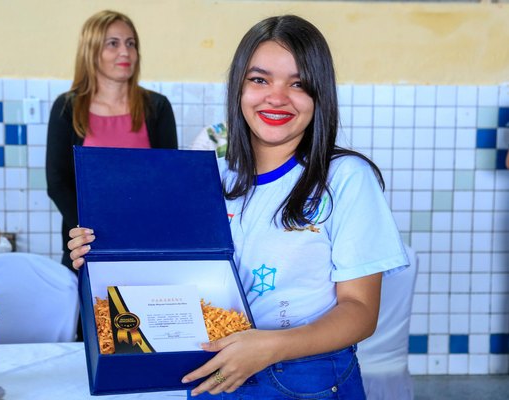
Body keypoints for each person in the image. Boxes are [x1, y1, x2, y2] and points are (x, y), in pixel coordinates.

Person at [69, 15, 408, 399]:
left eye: (298, 84)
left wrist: (268, 347)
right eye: (259, 80)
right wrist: (106, 256)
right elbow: (171, 276)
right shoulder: (212, 178)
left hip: (306, 378)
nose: (276, 97)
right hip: (213, 374)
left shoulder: (345, 177)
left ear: (320, 95)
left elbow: (360, 311)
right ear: (238, 89)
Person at [46, 10, 178, 269]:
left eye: (131, 44)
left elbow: (167, 178)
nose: (125, 52)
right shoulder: (67, 107)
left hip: (145, 243)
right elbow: (57, 182)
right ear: (91, 51)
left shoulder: (157, 107)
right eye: (113, 43)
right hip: (84, 248)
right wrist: (86, 233)